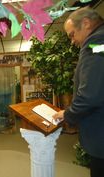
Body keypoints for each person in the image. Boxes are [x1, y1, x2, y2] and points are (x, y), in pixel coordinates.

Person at [52, 6, 104, 177]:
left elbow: (90, 95)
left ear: (86, 23)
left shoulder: (96, 43)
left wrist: (68, 114)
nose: (72, 41)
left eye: (72, 34)